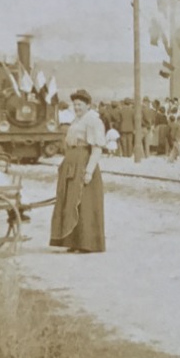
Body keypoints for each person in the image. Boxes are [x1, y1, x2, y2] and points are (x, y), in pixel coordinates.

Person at [49, 89, 106, 253]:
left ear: (88, 105)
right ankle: (73, 241)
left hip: (84, 164)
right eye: (75, 104)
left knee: (84, 204)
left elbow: (96, 149)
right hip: (72, 163)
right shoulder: (77, 120)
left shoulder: (93, 121)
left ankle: (86, 243)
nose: (77, 107)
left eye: (80, 104)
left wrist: (88, 172)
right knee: (70, 202)